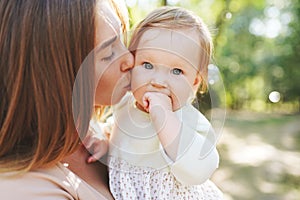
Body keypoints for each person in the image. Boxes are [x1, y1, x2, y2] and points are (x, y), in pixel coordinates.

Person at [0, 0, 134, 199]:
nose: (130, 60)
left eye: (123, 38)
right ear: (55, 77)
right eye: (109, 53)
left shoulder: (92, 132)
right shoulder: (25, 189)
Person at [106, 6, 223, 199]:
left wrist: (164, 116)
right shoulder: (123, 104)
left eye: (177, 71)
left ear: (194, 82)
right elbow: (120, 131)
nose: (158, 82)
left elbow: (202, 167)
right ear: (132, 65)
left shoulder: (189, 121)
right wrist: (107, 144)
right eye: (147, 65)